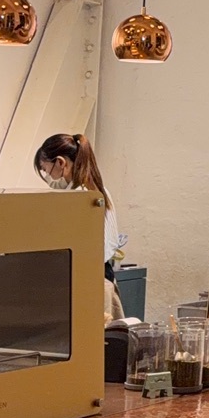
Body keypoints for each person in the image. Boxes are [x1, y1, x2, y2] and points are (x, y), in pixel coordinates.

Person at [35, 132, 125, 318]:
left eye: (46, 170)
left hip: (89, 279)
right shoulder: (93, 188)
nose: (47, 176)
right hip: (97, 275)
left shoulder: (80, 196)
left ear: (61, 163)